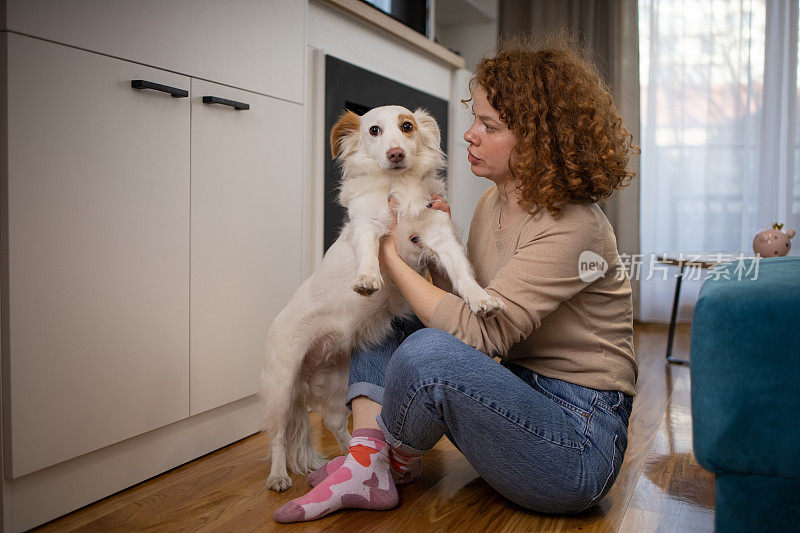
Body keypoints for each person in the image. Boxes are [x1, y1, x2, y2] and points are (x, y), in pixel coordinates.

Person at [274, 35, 638, 523]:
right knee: (381, 316)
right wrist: (428, 252)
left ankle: (378, 460)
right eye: (475, 120)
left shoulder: (577, 227)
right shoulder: (494, 201)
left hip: (575, 439)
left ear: (537, 139)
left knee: (427, 349)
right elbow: (459, 306)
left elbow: (481, 334)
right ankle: (369, 458)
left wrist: (390, 254)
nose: (469, 135)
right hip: (516, 386)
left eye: (489, 125)